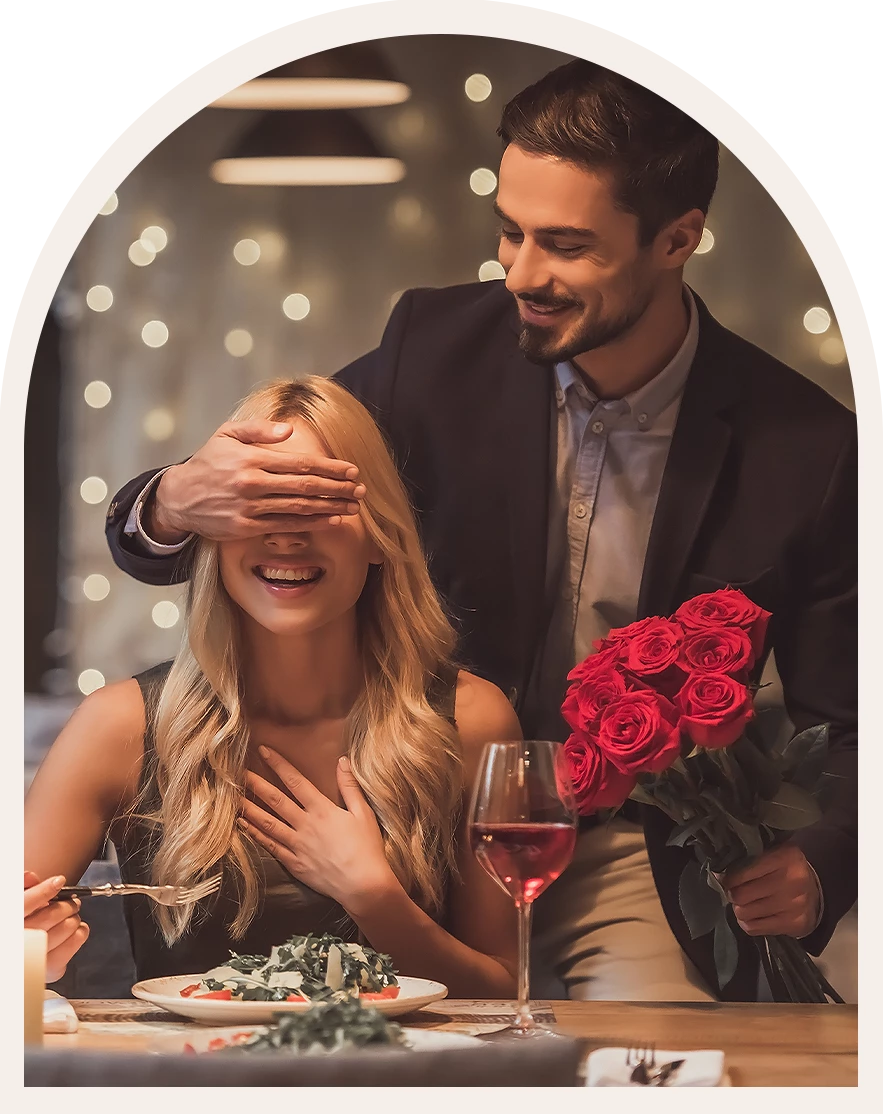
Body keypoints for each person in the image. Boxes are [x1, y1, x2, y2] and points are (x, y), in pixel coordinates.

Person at [105, 60, 856, 1002]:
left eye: (567, 245)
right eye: (510, 230)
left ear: (678, 239)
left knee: (633, 1067)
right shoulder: (429, 350)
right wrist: (171, 501)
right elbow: (262, 506)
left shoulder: (809, 446)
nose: (521, 273)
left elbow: (852, 718)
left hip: (635, 860)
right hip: (417, 828)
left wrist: (826, 859)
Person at [27, 377, 521, 995]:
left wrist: (374, 898)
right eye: (258, 505)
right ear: (209, 530)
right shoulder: (119, 725)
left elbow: (503, 995)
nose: (286, 535)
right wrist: (27, 959)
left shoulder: (472, 719)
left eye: (315, 505)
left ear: (379, 536)